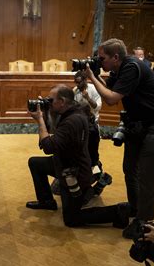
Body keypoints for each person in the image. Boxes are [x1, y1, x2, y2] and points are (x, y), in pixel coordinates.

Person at [83, 38, 154, 239]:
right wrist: (97, 73)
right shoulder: (119, 69)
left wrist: (91, 75)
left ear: (116, 57)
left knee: (145, 173)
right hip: (139, 123)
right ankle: (136, 208)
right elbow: (110, 90)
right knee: (129, 168)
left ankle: (145, 222)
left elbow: (110, 98)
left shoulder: (132, 66)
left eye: (102, 59)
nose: (100, 62)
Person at [26, 84, 130, 229]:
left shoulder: (72, 121)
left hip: (75, 173)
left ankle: (116, 211)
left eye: (51, 100)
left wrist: (40, 121)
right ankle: (46, 201)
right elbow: (54, 131)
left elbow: (49, 146)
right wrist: (45, 111)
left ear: (62, 101)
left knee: (72, 219)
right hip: (63, 163)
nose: (48, 102)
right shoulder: (72, 112)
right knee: (35, 163)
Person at [72, 71, 112, 195]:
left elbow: (97, 107)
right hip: (80, 126)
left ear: (86, 79)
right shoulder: (75, 90)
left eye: (80, 82)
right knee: (81, 155)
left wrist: (87, 98)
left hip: (91, 127)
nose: (78, 85)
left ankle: (100, 176)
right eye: (76, 82)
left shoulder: (94, 89)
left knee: (91, 155)